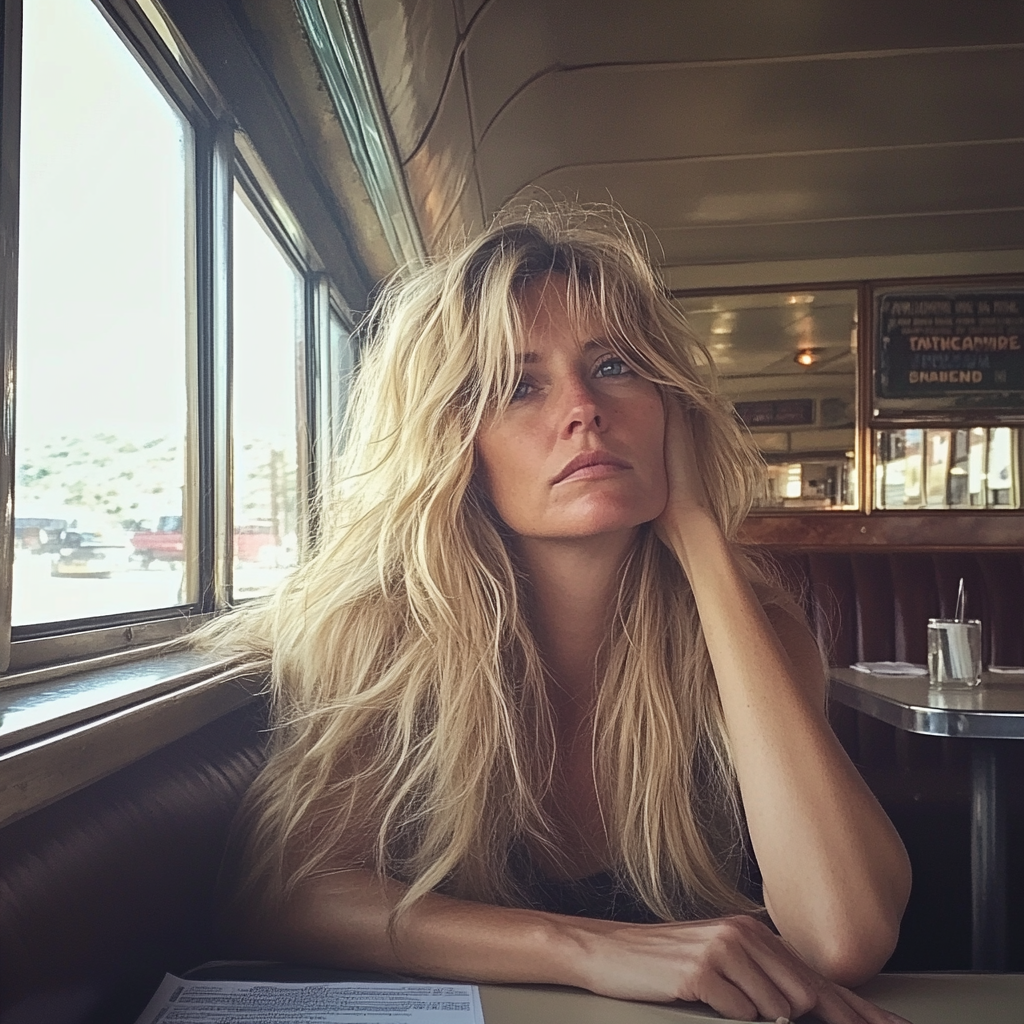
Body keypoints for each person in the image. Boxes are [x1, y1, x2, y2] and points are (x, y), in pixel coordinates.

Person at [208, 207, 911, 1024]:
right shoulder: (386, 634)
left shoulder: (751, 630)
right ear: (454, 445)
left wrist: (699, 539)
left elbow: (843, 936)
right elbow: (293, 895)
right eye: (519, 385)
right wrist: (587, 948)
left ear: (669, 409)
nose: (583, 409)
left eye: (615, 366)